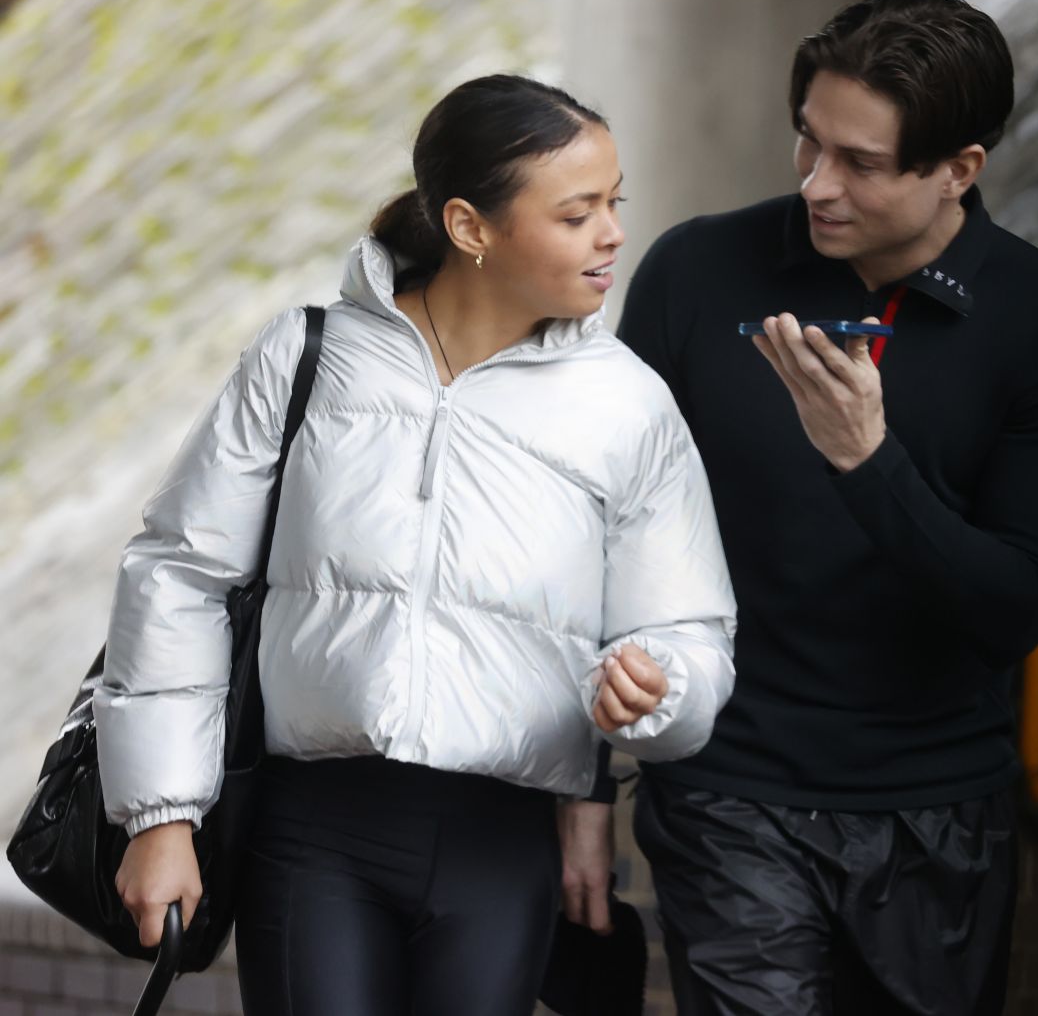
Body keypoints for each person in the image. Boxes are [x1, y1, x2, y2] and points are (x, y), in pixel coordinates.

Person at [93, 73, 737, 1016]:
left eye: (615, 203)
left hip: (500, 845)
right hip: (312, 832)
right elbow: (180, 576)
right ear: (472, 228)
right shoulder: (307, 355)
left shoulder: (628, 404)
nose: (612, 234)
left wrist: (660, 692)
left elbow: (689, 631)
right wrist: (163, 815)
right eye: (577, 213)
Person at [609, 0, 1038, 1015]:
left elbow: (1011, 606)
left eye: (859, 163)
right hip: (728, 788)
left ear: (957, 171)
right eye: (807, 143)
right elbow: (601, 533)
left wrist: (867, 460)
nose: (816, 183)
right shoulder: (697, 270)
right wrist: (581, 788)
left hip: (934, 808)